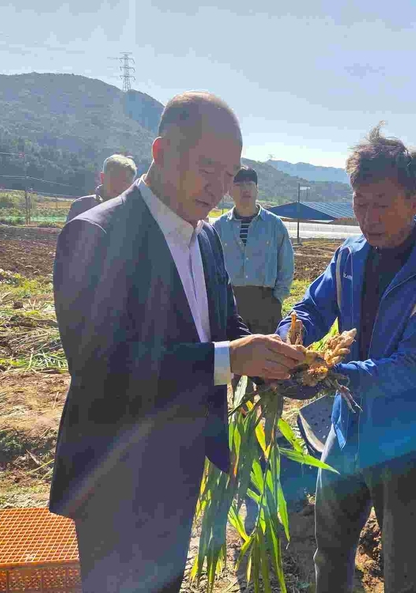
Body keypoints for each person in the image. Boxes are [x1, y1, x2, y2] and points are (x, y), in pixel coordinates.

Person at [49, 92, 305, 593]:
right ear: (161, 152)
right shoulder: (96, 235)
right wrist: (230, 358)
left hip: (182, 462)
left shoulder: (205, 237)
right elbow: (102, 365)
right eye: (207, 168)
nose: (219, 188)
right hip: (115, 475)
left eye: (230, 175)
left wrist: (274, 356)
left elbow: (223, 324)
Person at [278, 126, 416, 593]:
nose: (368, 217)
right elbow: (310, 308)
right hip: (346, 434)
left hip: (407, 442)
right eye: (359, 203)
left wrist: (328, 372)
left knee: (402, 570)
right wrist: (287, 342)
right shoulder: (348, 256)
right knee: (331, 551)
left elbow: (415, 365)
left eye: (381, 203)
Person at [212, 165, 294, 388]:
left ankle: (270, 420)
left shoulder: (274, 225)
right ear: (229, 189)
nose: (244, 189)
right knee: (235, 366)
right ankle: (241, 418)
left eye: (249, 184)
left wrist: (276, 298)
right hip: (232, 304)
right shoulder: (218, 227)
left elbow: (286, 265)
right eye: (238, 184)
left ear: (257, 189)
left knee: (270, 367)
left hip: (265, 303)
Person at [65, 154, 137, 221]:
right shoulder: (81, 206)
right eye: (115, 178)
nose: (120, 185)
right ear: (102, 178)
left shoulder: (135, 212)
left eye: (126, 181)